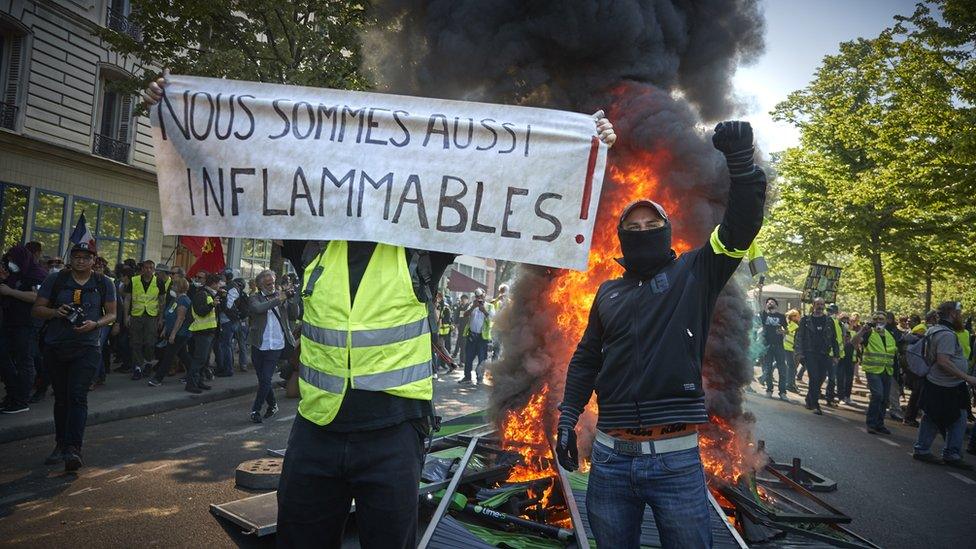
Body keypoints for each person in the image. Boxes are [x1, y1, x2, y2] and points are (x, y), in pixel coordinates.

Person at [145, 72, 616, 547]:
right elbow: (244, 171)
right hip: (317, 430)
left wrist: (584, 147)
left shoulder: (422, 246)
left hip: (393, 435)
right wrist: (177, 114)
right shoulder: (307, 238)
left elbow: (499, 184)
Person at [555, 120, 764, 548]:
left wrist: (741, 163)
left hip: (676, 463)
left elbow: (741, 226)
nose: (643, 231)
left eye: (653, 224)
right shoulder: (607, 293)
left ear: (666, 231)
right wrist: (566, 419)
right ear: (621, 238)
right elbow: (587, 359)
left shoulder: (695, 273)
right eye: (634, 227)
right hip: (610, 460)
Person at [32, 243, 116, 471]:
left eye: (85, 257)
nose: (80, 261)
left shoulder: (103, 282)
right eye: (76, 257)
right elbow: (37, 309)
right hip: (56, 346)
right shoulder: (56, 279)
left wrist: (95, 324)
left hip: (87, 347)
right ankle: (60, 444)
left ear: (94, 260)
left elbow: (111, 314)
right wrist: (54, 312)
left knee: (77, 396)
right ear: (71, 259)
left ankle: (73, 449)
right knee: (61, 398)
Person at [913, 301, 976, 469]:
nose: (961, 316)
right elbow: (943, 361)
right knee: (943, 418)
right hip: (944, 385)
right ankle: (945, 453)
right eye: (959, 313)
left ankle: (931, 450)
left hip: (944, 383)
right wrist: (967, 377)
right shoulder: (946, 334)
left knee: (943, 417)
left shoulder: (934, 329)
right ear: (953, 314)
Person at [245, 269, 299, 423]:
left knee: (266, 378)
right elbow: (258, 309)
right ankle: (273, 405)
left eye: (273, 283)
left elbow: (295, 314)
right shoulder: (254, 297)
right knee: (263, 380)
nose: (271, 286)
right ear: (260, 284)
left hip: (276, 344)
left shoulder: (280, 296)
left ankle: (256, 409)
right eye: (268, 284)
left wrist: (291, 297)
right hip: (259, 344)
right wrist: (278, 299)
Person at [0, 245, 46, 413]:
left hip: (27, 323)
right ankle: (12, 394)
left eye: (13, 260)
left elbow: (37, 298)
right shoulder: (13, 275)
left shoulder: (37, 275)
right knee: (4, 357)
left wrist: (10, 292)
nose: (11, 263)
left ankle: (20, 400)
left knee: (24, 360)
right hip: (9, 322)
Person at [852, 311, 896, 434]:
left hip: (887, 370)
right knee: (877, 395)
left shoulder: (890, 335)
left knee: (884, 399)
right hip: (873, 370)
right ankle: (871, 423)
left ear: (886, 321)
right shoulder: (869, 333)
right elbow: (853, 342)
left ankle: (879, 424)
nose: (878, 321)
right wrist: (862, 331)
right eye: (875, 319)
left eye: (881, 319)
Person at [795, 297, 839, 415]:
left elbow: (834, 339)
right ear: (813, 305)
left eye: (822, 304)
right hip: (810, 353)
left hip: (824, 353)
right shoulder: (806, 320)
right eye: (818, 304)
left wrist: (836, 354)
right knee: (814, 377)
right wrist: (799, 353)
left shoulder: (829, 321)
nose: (820, 306)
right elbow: (799, 337)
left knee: (821, 378)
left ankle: (809, 399)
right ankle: (815, 404)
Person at [123, 259, 166, 380]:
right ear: (142, 269)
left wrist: (161, 318)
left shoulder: (159, 282)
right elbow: (127, 299)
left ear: (154, 270)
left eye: (151, 268)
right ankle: (137, 367)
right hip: (136, 314)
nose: (148, 270)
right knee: (135, 342)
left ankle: (147, 363)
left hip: (152, 315)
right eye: (146, 268)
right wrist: (126, 316)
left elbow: (162, 301)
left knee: (150, 342)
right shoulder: (134, 280)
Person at [148, 277, 192, 387]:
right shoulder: (176, 299)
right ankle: (195, 373)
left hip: (180, 333)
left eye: (174, 285)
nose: (171, 287)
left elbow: (180, 319)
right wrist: (165, 329)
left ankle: (158, 378)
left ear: (179, 287)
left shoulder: (184, 300)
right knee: (183, 355)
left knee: (168, 356)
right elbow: (170, 316)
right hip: (174, 332)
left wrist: (172, 334)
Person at [186, 273, 221, 394]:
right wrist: (212, 304)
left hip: (209, 331)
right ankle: (191, 383)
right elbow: (200, 311)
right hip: (202, 331)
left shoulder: (210, 294)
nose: (220, 285)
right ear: (214, 283)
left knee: (205, 359)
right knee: (199, 359)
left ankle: (199, 381)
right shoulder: (202, 294)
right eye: (219, 282)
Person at [460, 287, 494, 386]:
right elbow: (463, 315)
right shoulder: (472, 305)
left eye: (480, 296)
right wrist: (472, 308)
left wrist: (484, 311)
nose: (479, 298)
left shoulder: (490, 306)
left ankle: (479, 378)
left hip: (482, 338)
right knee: (468, 358)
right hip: (471, 336)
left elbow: (493, 320)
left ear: (484, 295)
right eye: (477, 296)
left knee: (481, 359)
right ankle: (467, 377)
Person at [758, 297, 788, 400]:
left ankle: (783, 392)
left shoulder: (781, 316)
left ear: (776, 304)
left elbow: (786, 330)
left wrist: (783, 332)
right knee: (768, 368)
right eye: (768, 302)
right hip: (767, 345)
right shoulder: (764, 315)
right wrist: (760, 289)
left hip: (779, 345)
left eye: (772, 302)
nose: (769, 303)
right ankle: (769, 390)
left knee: (782, 370)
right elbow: (758, 300)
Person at [216, 270, 243, 377]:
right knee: (226, 345)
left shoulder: (232, 288)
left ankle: (228, 369)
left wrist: (221, 298)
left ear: (226, 277)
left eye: (222, 276)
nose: (220, 279)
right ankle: (226, 367)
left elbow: (228, 305)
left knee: (225, 346)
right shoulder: (229, 287)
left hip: (229, 321)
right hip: (228, 320)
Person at [835, 313, 856, 405]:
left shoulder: (853, 332)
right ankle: (841, 397)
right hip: (841, 356)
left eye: (848, 320)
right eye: (844, 319)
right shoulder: (838, 330)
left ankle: (847, 396)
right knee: (840, 377)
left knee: (849, 378)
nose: (846, 322)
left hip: (850, 357)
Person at [783, 308, 800, 393]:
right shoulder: (795, 325)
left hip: (788, 347)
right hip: (789, 348)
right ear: (792, 317)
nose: (798, 317)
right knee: (792, 367)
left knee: (789, 366)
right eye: (796, 316)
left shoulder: (789, 323)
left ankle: (790, 383)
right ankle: (789, 384)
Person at [452, 293, 471, 363]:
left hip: (467, 327)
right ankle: (461, 359)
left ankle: (463, 360)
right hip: (461, 327)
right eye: (462, 300)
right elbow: (458, 316)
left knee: (463, 344)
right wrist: (456, 323)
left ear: (467, 300)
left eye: (464, 300)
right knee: (460, 342)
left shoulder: (469, 307)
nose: (462, 301)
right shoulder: (460, 307)